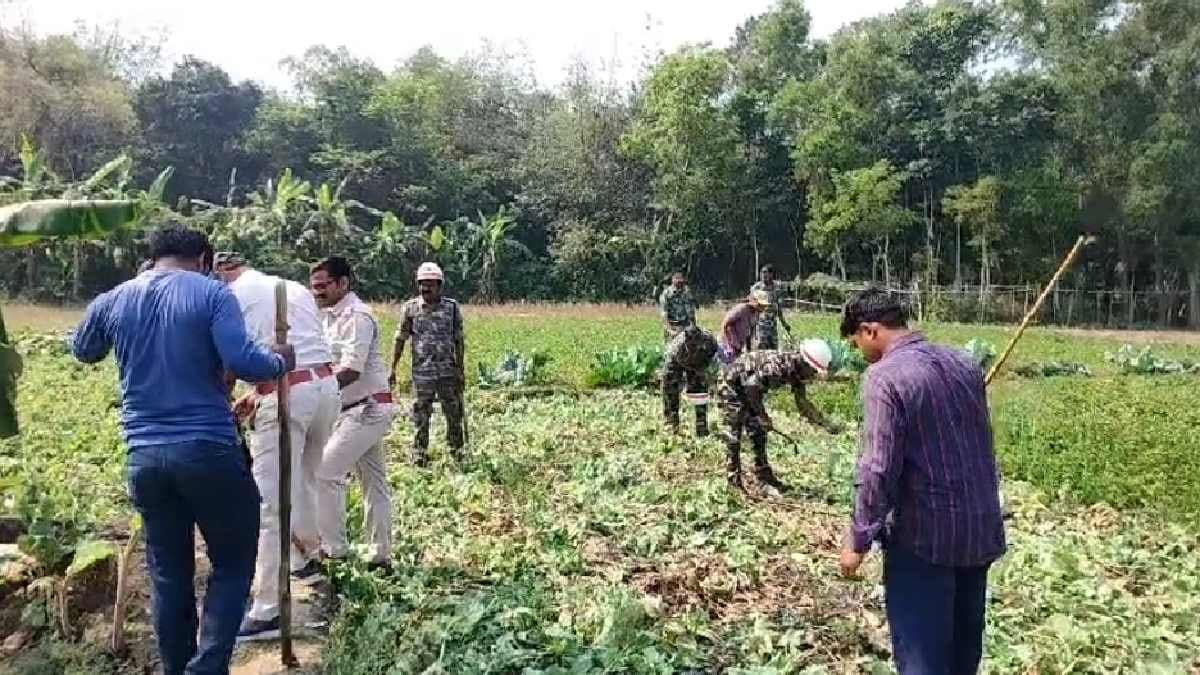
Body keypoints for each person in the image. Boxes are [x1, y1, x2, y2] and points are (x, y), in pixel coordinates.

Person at [72, 225, 292, 675]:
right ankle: (207, 667)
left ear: (151, 257)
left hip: (146, 457)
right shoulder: (211, 294)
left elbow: (84, 350)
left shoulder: (115, 298)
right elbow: (245, 362)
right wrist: (280, 360)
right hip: (208, 448)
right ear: (204, 258)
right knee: (232, 561)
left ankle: (177, 669)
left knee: (170, 574)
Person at [837, 287, 1005, 675]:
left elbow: (878, 467)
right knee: (963, 658)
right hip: (979, 530)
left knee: (922, 661)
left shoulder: (884, 377)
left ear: (870, 330)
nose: (860, 351)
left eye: (858, 341)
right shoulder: (964, 363)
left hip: (924, 539)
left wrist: (858, 539)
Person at [212, 253, 341, 642]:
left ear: (222, 273)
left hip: (289, 395)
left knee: (270, 505)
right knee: (306, 481)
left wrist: (222, 397)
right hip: (324, 389)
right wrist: (260, 392)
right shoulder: (290, 287)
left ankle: (267, 606)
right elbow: (296, 346)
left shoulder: (229, 295)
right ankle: (307, 557)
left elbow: (231, 360)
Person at [309, 256, 395, 570]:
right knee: (374, 480)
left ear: (343, 283)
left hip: (368, 409)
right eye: (314, 287)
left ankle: (334, 552)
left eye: (323, 286)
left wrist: (315, 391)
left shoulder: (358, 316)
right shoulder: (329, 317)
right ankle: (380, 555)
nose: (317, 292)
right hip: (352, 409)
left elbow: (351, 369)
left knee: (325, 472)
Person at [717, 341, 837, 492]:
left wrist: (824, 423)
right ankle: (733, 481)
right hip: (731, 384)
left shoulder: (797, 371)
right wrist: (762, 416)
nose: (813, 375)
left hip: (749, 388)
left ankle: (764, 477)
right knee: (734, 434)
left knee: (758, 434)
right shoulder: (779, 366)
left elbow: (802, 403)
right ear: (806, 363)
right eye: (813, 370)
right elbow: (751, 386)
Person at [391, 262, 466, 465]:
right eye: (422, 284)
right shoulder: (410, 308)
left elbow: (459, 340)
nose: (425, 288)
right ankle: (420, 455)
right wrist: (393, 368)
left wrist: (461, 369)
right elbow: (400, 338)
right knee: (420, 416)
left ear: (439, 286)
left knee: (453, 414)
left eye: (430, 284)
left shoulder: (451, 308)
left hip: (448, 373)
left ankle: (457, 453)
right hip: (422, 374)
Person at [661, 325, 718, 436]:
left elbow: (713, 354)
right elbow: (680, 362)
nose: (694, 345)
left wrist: (704, 370)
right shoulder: (678, 346)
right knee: (670, 387)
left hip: (700, 362)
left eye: (696, 342)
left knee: (700, 389)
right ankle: (671, 423)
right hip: (677, 361)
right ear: (687, 340)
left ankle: (701, 426)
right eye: (691, 344)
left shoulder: (709, 340)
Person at [719, 289, 770, 362]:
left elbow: (750, 332)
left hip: (739, 346)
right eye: (760, 305)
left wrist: (749, 351)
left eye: (764, 306)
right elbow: (726, 324)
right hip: (728, 344)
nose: (763, 308)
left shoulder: (756, 314)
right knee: (728, 367)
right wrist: (730, 344)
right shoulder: (741, 309)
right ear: (754, 301)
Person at [750, 264, 792, 350]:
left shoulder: (777, 288)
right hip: (760, 325)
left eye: (766, 272)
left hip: (772, 326)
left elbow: (778, 308)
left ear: (771, 274)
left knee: (774, 351)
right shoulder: (756, 288)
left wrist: (784, 324)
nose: (763, 275)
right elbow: (751, 307)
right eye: (762, 273)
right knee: (762, 351)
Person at [658, 272, 697, 341]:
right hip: (672, 326)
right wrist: (669, 330)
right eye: (678, 282)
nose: (680, 284)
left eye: (681, 282)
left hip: (686, 327)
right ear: (673, 281)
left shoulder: (687, 293)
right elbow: (664, 313)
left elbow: (691, 311)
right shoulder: (666, 294)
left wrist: (693, 326)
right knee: (671, 350)